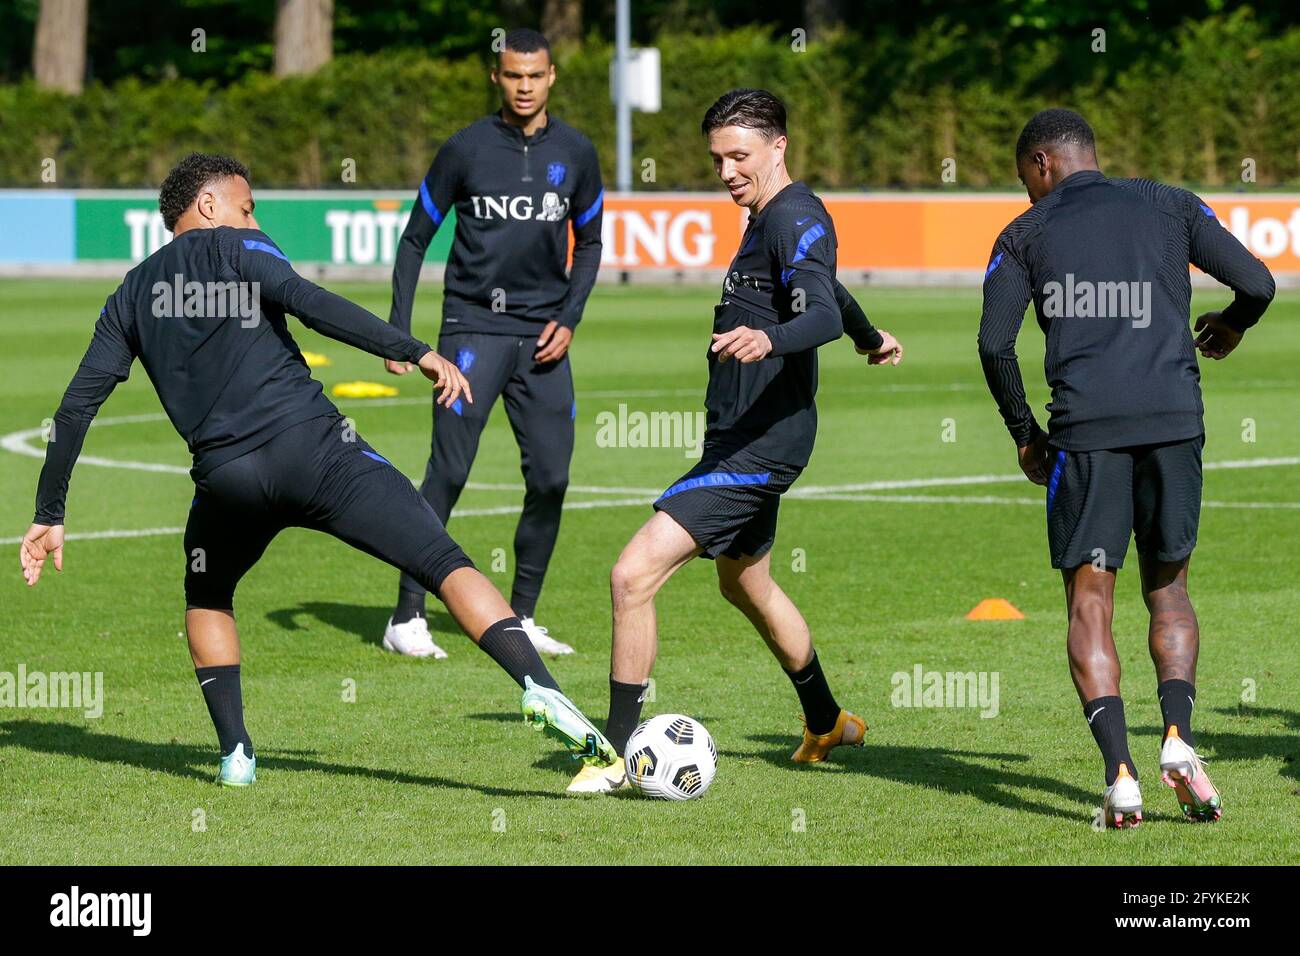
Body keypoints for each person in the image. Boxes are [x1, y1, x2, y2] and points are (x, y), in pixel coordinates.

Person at [17, 152, 616, 787]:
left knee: (208, 593)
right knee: (443, 561)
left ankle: (235, 754)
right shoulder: (239, 249)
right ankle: (541, 687)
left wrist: (49, 513)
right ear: (210, 206)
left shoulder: (129, 295)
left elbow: (76, 406)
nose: (252, 220)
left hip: (227, 481)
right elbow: (311, 302)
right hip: (318, 454)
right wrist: (413, 350)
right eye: (246, 207)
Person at [559, 89, 904, 793]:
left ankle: (615, 754)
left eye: (738, 155)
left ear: (779, 146)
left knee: (632, 576)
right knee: (745, 582)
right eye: (716, 157)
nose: (725, 170)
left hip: (763, 443)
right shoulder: (768, 218)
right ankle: (826, 719)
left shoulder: (795, 215)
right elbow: (832, 296)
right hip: (741, 437)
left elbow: (815, 311)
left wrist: (770, 336)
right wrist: (872, 336)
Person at [977, 108, 1275, 827]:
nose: (1026, 194)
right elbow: (1260, 282)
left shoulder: (1023, 235)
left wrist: (1025, 433)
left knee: (1090, 601)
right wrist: (1231, 322)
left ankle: (1120, 776)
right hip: (1176, 422)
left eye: (1026, 180)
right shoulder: (1172, 203)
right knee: (1168, 589)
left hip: (1086, 435)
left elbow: (994, 345)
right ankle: (1177, 738)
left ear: (1043, 164)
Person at [382, 28, 604, 659]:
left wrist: (571, 315)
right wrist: (402, 332)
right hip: (470, 335)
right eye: (513, 76)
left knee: (553, 479)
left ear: (552, 77)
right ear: (496, 78)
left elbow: (588, 244)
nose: (525, 86)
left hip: (543, 343)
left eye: (535, 76)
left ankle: (525, 615)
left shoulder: (578, 153)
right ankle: (406, 616)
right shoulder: (465, 149)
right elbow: (413, 241)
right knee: (447, 473)